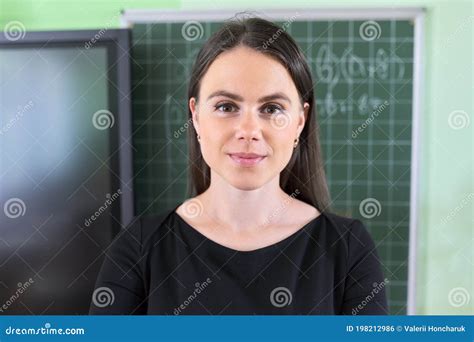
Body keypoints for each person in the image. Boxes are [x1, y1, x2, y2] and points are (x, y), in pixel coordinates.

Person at [89, 16, 388, 315]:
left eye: (272, 109)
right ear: (195, 116)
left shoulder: (348, 250)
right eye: (226, 107)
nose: (248, 130)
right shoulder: (140, 248)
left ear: (300, 121)